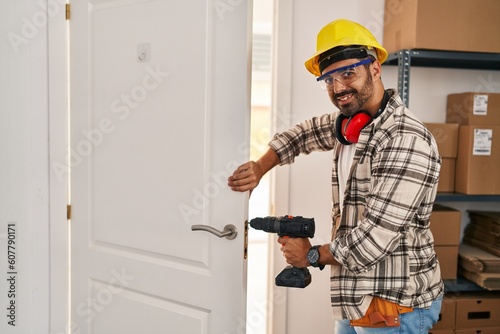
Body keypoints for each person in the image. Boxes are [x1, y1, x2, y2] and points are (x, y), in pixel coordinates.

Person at [228, 19, 444, 333]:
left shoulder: (404, 139)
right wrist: (260, 167)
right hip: (353, 294)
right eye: (328, 79)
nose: (338, 88)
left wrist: (310, 254)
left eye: (348, 73)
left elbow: (374, 239)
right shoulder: (351, 123)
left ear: (374, 68)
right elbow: (300, 135)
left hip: (394, 303)